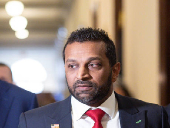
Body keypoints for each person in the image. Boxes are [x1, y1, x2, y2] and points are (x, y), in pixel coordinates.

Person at [18, 28, 169, 128]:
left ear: (115, 71)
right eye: (72, 66)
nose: (81, 74)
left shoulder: (154, 116)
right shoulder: (34, 122)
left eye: (93, 65)